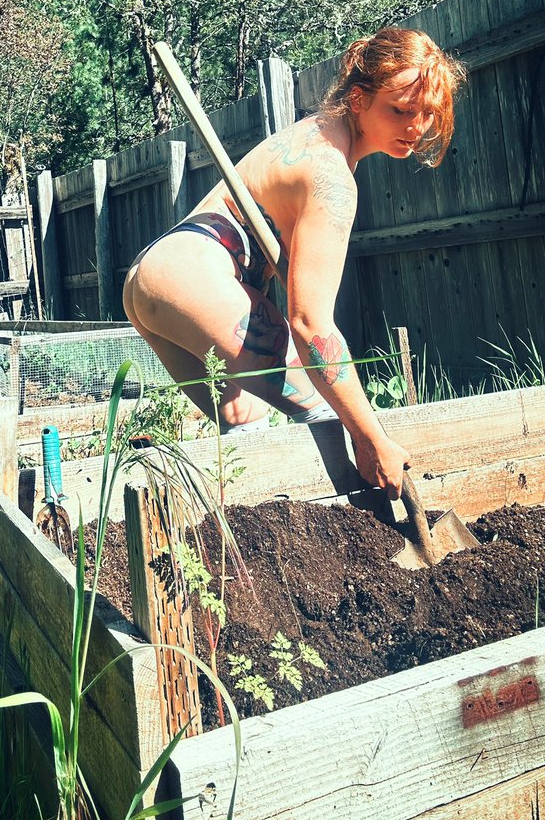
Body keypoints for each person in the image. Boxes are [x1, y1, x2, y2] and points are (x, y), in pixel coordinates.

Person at [123, 27, 466, 500]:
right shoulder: (331, 176)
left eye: (427, 113)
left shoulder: (314, 134)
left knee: (246, 431)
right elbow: (309, 325)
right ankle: (368, 526)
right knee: (330, 416)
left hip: (154, 280)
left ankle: (241, 542)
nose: (417, 127)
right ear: (359, 99)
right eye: (401, 110)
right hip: (191, 278)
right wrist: (372, 438)